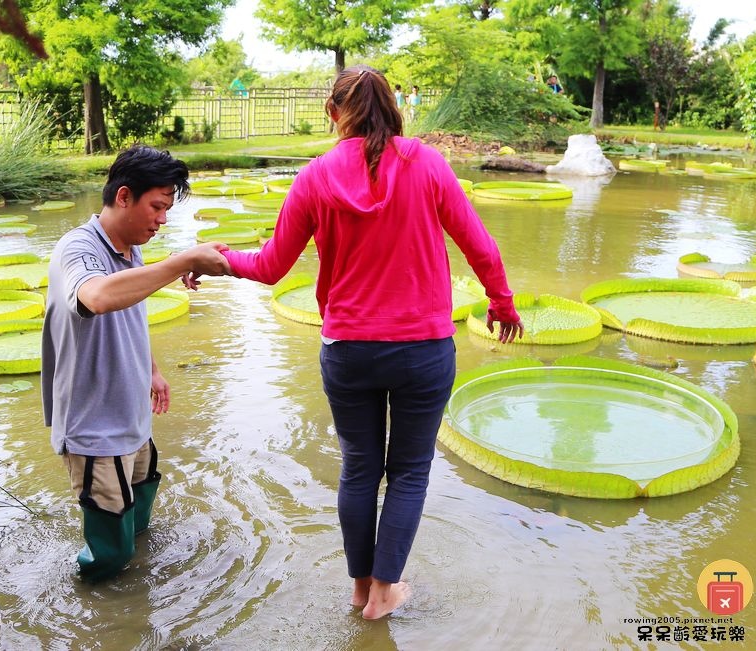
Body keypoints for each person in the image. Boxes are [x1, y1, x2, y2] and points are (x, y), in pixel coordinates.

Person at [184, 65, 523, 619]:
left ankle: (361, 589)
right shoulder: (430, 165)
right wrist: (501, 303)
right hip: (423, 351)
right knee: (409, 471)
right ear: (393, 107)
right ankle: (387, 594)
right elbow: (479, 245)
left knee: (360, 469)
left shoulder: (314, 177)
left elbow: (270, 266)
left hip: (349, 351)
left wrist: (215, 259)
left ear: (332, 112)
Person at [41, 145, 231, 582]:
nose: (162, 219)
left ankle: (136, 591)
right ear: (124, 196)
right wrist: (182, 260)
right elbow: (99, 297)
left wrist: (153, 370)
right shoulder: (78, 248)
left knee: (139, 523)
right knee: (110, 556)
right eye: (157, 206)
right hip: (94, 427)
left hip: (132, 415)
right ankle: (99, 618)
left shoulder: (131, 248)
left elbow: (130, 310)